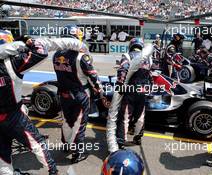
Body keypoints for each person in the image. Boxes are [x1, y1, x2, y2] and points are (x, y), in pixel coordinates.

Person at [0, 30, 87, 175]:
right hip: (13, 116)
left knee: (2, 154)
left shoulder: (56, 57)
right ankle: (53, 171)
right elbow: (41, 51)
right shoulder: (13, 63)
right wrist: (25, 42)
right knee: (38, 143)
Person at [53, 25, 103, 163]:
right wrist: (99, 91)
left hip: (63, 94)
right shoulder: (81, 57)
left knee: (66, 121)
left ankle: (66, 145)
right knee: (79, 124)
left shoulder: (56, 55)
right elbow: (93, 77)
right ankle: (77, 153)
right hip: (80, 94)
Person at [106, 38, 153, 153]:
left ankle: (121, 141)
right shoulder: (149, 58)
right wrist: (150, 89)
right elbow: (150, 76)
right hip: (143, 91)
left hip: (130, 91)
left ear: (131, 45)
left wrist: (120, 87)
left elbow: (122, 71)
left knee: (125, 116)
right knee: (140, 116)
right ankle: (137, 138)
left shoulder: (127, 56)